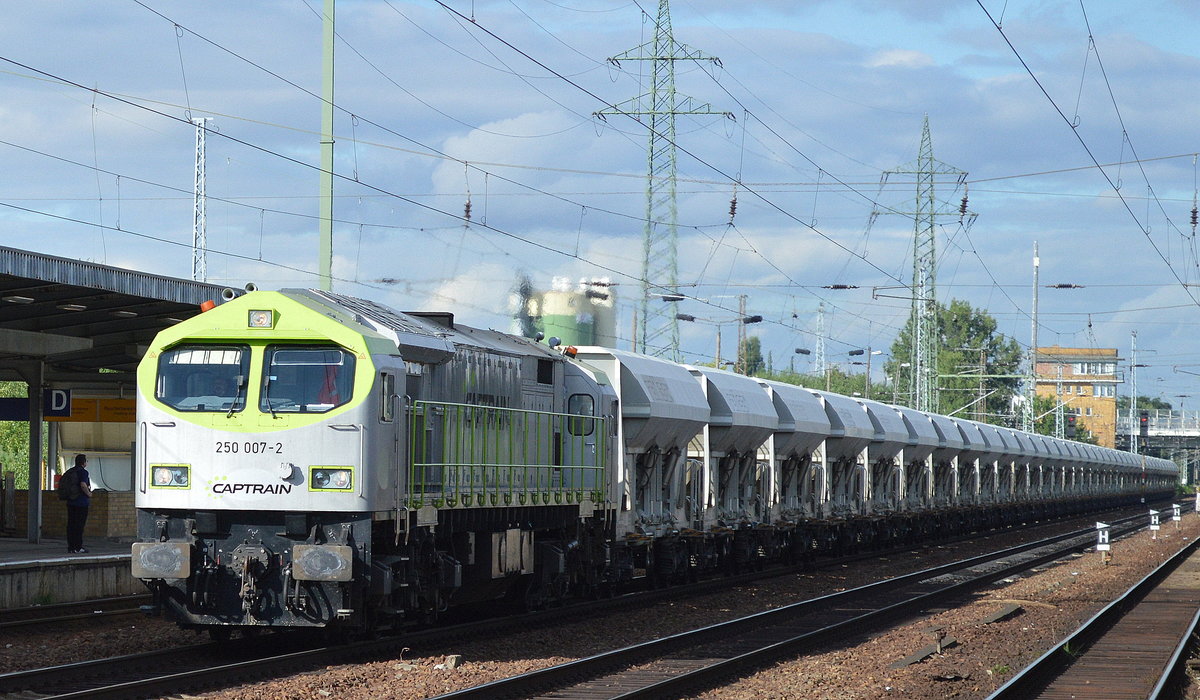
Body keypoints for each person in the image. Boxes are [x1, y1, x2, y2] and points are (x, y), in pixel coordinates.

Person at [63, 453, 93, 554]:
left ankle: (71, 547)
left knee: (71, 525)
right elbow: (83, 485)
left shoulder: (71, 471)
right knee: (79, 525)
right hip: (81, 503)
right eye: (86, 461)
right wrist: (89, 494)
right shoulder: (83, 472)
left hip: (71, 502)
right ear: (83, 463)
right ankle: (78, 547)